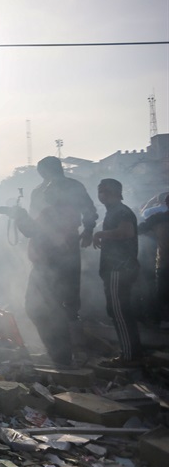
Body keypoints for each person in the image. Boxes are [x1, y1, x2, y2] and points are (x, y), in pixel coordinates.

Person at [15, 185, 82, 366]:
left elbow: (35, 231)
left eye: (50, 193)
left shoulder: (55, 213)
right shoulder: (65, 213)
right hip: (52, 268)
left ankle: (61, 356)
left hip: (50, 268)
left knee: (42, 310)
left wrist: (20, 216)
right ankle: (59, 355)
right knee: (47, 311)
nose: (46, 196)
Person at [27, 156, 98, 321]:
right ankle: (58, 317)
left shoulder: (72, 186)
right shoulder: (38, 191)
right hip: (47, 243)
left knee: (69, 278)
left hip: (67, 239)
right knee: (53, 280)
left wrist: (88, 230)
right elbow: (33, 218)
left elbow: (88, 210)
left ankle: (69, 317)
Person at [92, 179, 142, 367]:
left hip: (118, 269)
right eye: (99, 191)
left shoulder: (121, 211)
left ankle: (129, 356)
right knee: (119, 311)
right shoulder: (113, 211)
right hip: (117, 268)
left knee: (119, 311)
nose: (101, 195)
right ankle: (131, 353)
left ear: (114, 192)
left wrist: (100, 234)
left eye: (104, 191)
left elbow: (126, 232)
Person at [138, 192, 169, 324]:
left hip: (164, 264)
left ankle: (163, 321)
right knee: (162, 295)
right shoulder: (158, 218)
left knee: (162, 295)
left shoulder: (158, 218)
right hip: (164, 264)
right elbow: (138, 229)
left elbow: (138, 229)